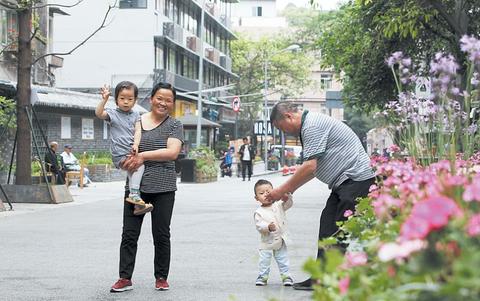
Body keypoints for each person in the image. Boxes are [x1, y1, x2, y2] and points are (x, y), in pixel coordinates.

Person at [265, 102, 375, 291]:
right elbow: (310, 171)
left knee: (341, 232)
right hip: (344, 184)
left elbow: (310, 167)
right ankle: (322, 278)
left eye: (281, 128)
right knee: (328, 227)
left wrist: (280, 191)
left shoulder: (312, 125)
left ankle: (340, 280)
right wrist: (289, 190)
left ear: (289, 116)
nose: (284, 133)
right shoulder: (309, 126)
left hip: (356, 181)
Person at [110, 82, 184, 293]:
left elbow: (172, 153)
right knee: (129, 234)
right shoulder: (137, 119)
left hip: (164, 187)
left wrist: (142, 155)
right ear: (151, 99)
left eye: (168, 100)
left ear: (172, 103)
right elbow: (122, 143)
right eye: (159, 98)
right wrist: (125, 160)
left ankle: (161, 277)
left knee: (161, 234)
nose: (163, 103)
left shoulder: (174, 125)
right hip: (136, 188)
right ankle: (124, 278)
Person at [95, 81, 151, 215]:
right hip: (120, 152)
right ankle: (134, 194)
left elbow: (138, 131)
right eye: (122, 98)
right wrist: (104, 100)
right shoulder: (112, 114)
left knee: (134, 170)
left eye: (130, 99)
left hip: (131, 150)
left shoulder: (137, 115)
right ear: (116, 100)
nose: (126, 102)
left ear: (135, 100)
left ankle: (136, 202)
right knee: (138, 167)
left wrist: (136, 145)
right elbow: (98, 113)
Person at [253, 179, 294, 287]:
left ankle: (286, 276)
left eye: (268, 192)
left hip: (280, 239)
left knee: (283, 259)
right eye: (261, 193)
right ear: (257, 198)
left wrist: (287, 198)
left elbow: (288, 205)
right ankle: (263, 276)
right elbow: (259, 226)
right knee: (264, 260)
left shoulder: (279, 205)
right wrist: (267, 227)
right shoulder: (259, 212)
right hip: (266, 241)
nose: (265, 195)